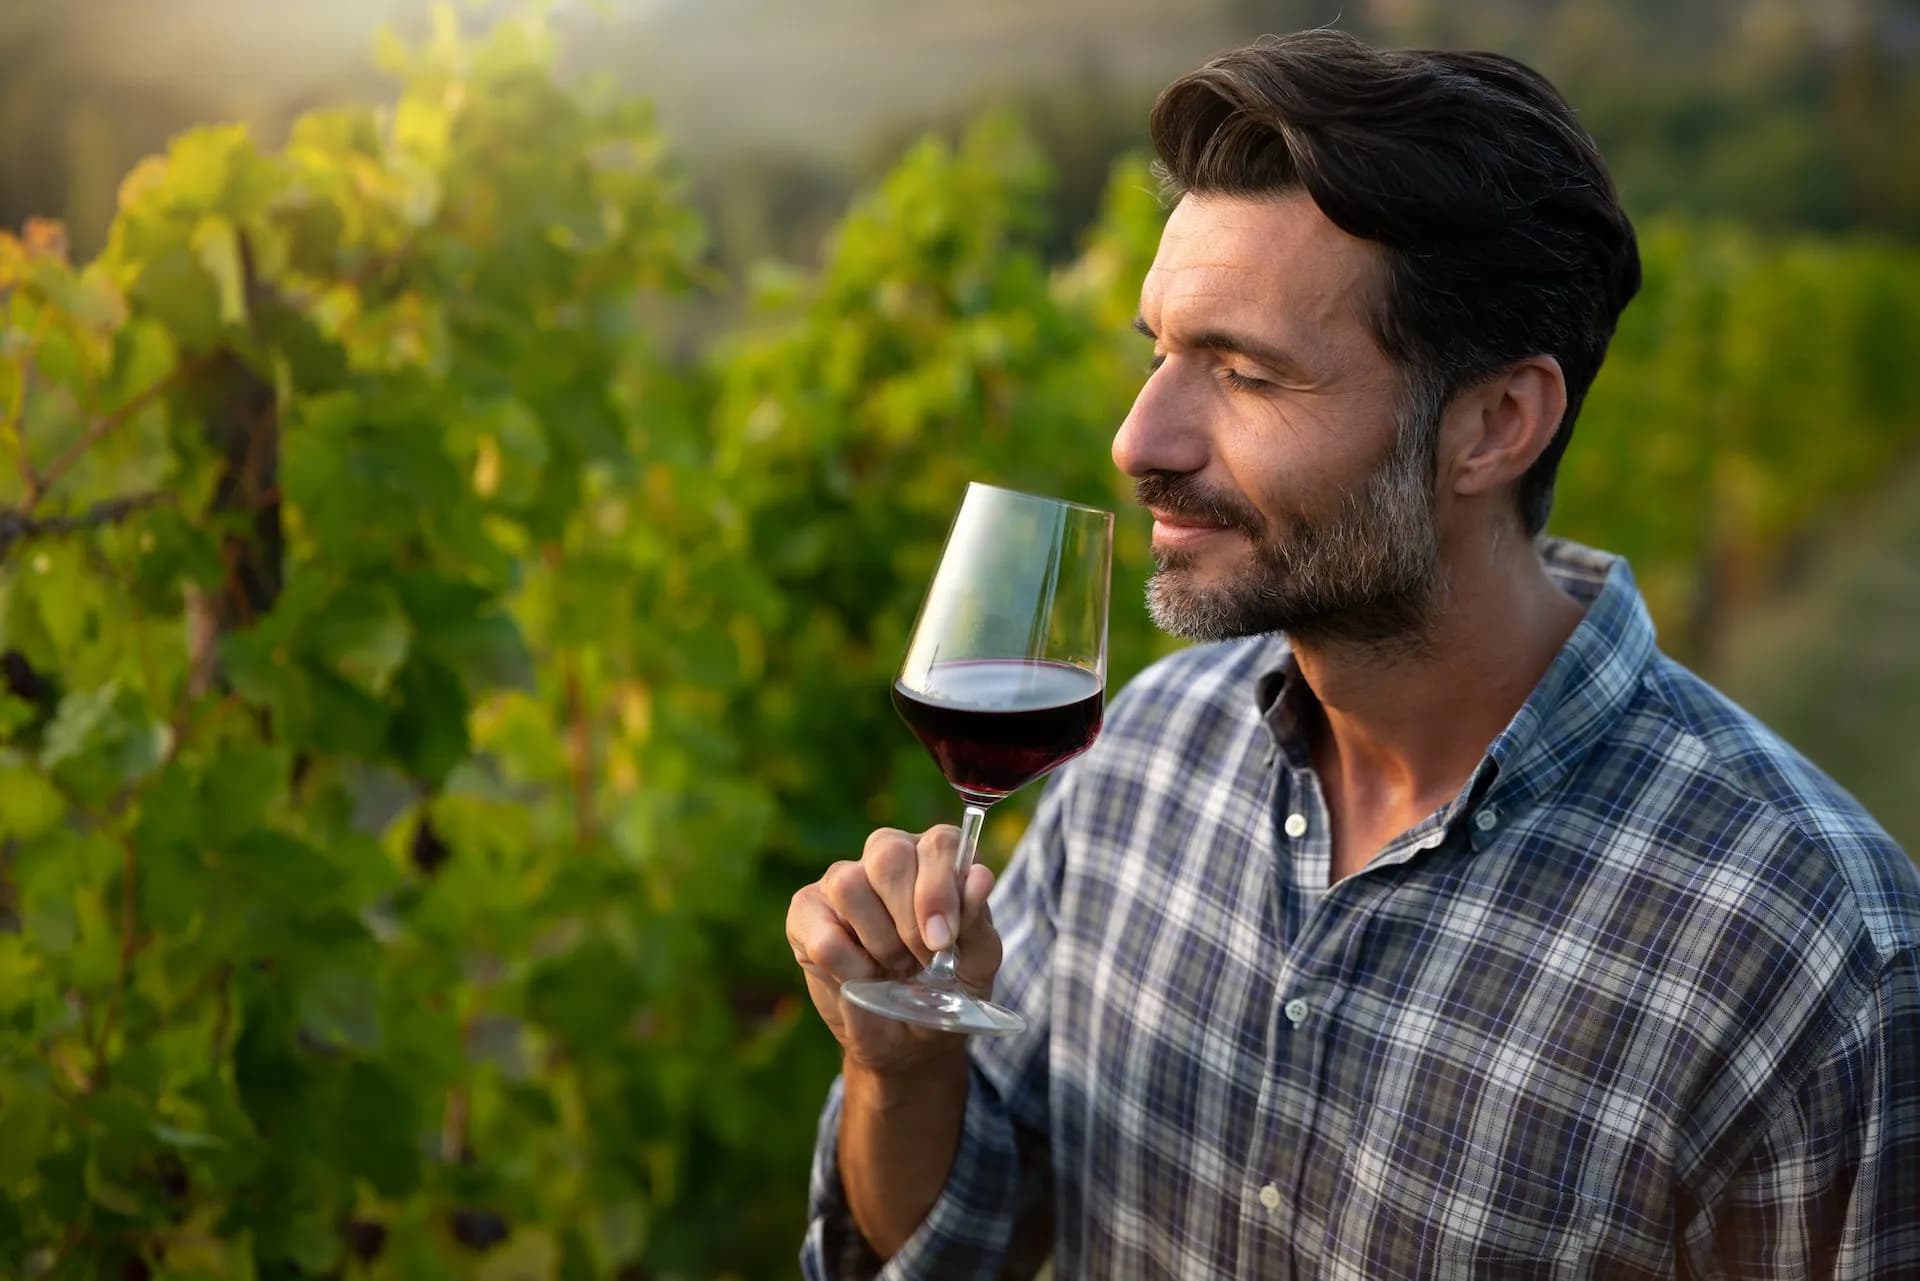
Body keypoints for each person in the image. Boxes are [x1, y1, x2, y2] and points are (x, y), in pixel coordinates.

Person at [787, 29, 1920, 1280]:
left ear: (1495, 424)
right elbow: (967, 1247)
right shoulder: (1136, 758)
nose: (1138, 440)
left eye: (1244, 373)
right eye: (1159, 353)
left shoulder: (1810, 955)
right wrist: (903, 1068)